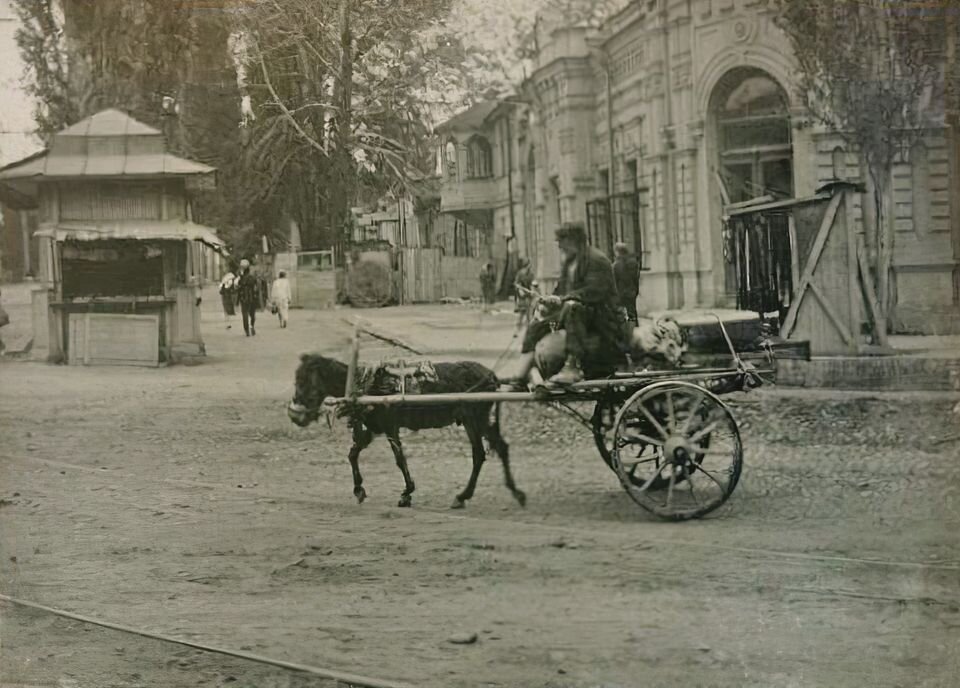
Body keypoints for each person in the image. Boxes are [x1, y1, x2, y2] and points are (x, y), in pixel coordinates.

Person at [513, 222, 624, 386]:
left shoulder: (597, 260)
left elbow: (594, 292)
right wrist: (549, 301)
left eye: (561, 242)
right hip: (579, 313)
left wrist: (564, 300)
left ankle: (573, 366)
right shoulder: (570, 262)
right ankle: (521, 375)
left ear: (574, 240)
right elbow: (561, 290)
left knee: (573, 308)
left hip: (601, 317)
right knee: (537, 324)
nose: (559, 246)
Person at [613, 242, 640, 325]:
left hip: (620, 292)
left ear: (617, 252)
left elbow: (614, 280)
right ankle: (634, 324)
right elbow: (636, 278)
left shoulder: (616, 265)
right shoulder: (633, 263)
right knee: (632, 310)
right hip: (632, 290)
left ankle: (625, 328)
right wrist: (636, 289)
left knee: (620, 312)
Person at [236, 259, 260, 336]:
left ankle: (246, 330)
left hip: (243, 297)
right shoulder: (252, 277)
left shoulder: (240, 278)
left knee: (245, 313)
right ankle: (252, 326)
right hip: (252, 297)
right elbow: (256, 288)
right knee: (252, 314)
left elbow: (237, 287)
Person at [514, 258, 534, 329]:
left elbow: (532, 283)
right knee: (522, 312)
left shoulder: (531, 274)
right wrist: (520, 289)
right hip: (522, 294)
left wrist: (532, 289)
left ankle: (529, 326)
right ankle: (518, 328)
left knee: (529, 311)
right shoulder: (520, 273)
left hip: (528, 294)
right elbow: (516, 283)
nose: (529, 266)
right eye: (529, 265)